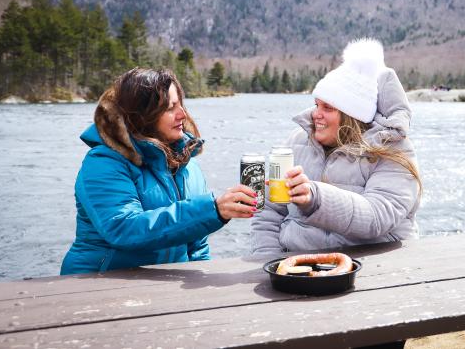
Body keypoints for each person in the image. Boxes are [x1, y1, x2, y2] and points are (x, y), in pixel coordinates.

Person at [61, 68, 256, 275]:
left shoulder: (188, 164)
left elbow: (197, 247)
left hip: (163, 286)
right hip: (95, 283)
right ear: (143, 115)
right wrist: (212, 210)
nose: (182, 114)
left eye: (181, 104)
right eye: (170, 108)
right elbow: (124, 229)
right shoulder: (104, 162)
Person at [251, 38, 421, 255]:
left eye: (328, 107)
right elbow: (269, 211)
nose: (315, 114)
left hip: (374, 267)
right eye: (316, 105)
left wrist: (315, 198)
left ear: (353, 116)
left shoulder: (393, 149)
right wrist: (268, 261)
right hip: (297, 266)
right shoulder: (296, 142)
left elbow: (378, 216)